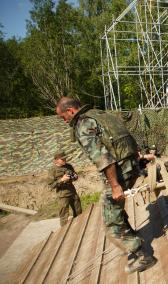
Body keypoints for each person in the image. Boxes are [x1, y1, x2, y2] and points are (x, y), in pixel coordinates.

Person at [55, 97, 157, 273]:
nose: (64, 121)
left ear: (71, 111)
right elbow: (125, 138)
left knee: (111, 224)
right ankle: (134, 237)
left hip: (118, 173)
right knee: (116, 210)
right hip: (131, 166)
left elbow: (103, 158)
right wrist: (138, 160)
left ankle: (143, 255)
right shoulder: (100, 114)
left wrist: (115, 186)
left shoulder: (83, 124)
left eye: (63, 117)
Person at [47, 151, 82, 226]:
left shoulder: (69, 166)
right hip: (63, 196)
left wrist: (75, 177)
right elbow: (51, 185)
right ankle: (64, 230)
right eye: (62, 159)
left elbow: (74, 176)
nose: (65, 160)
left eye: (65, 158)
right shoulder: (52, 170)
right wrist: (61, 180)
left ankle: (79, 226)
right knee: (64, 216)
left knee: (78, 211)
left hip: (72, 192)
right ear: (56, 160)